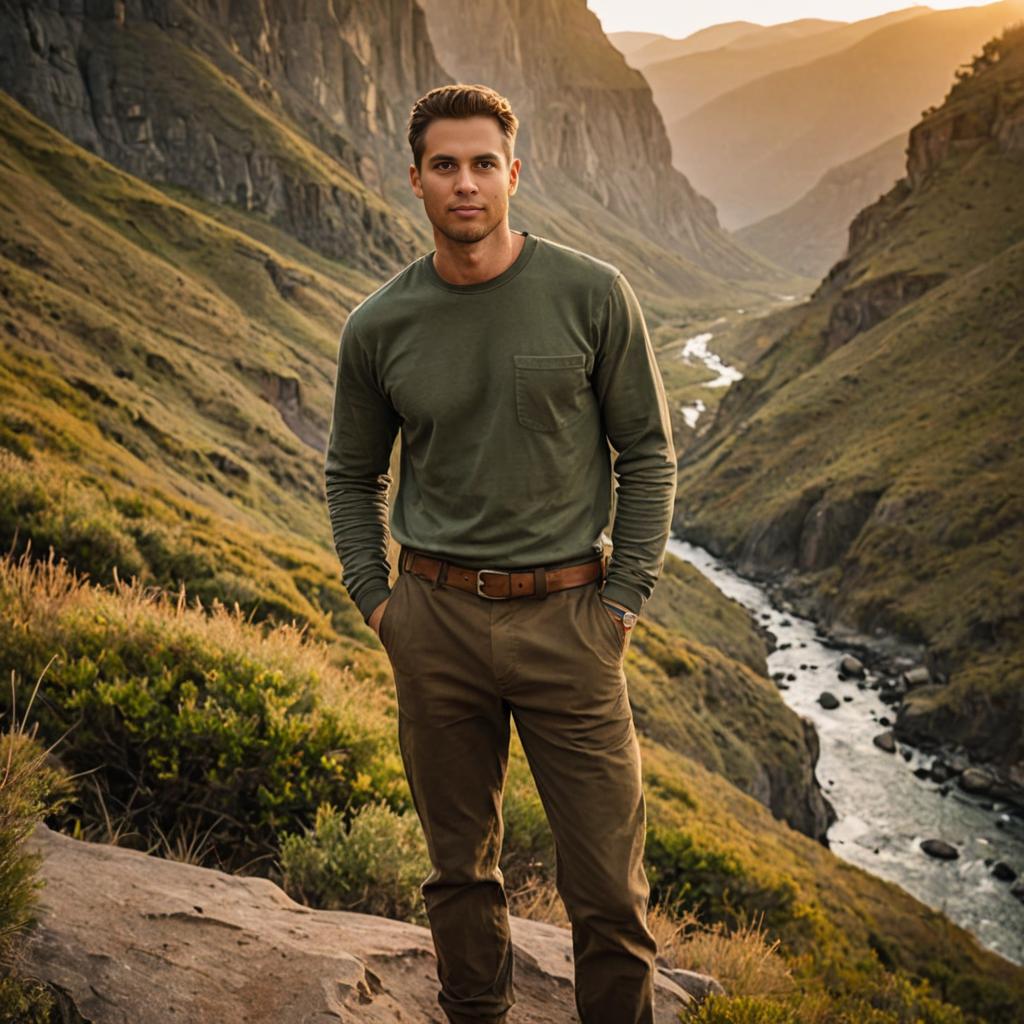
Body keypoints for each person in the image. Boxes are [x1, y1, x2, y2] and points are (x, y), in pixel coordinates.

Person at [324, 82, 677, 1024]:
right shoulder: (378, 325)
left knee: (607, 886)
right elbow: (350, 477)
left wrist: (624, 600)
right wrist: (379, 604)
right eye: (445, 166)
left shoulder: (593, 294)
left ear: (514, 174)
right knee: (458, 872)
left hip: (573, 622)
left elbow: (647, 451)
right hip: (433, 621)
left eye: (484, 164)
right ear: (416, 181)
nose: (466, 184)